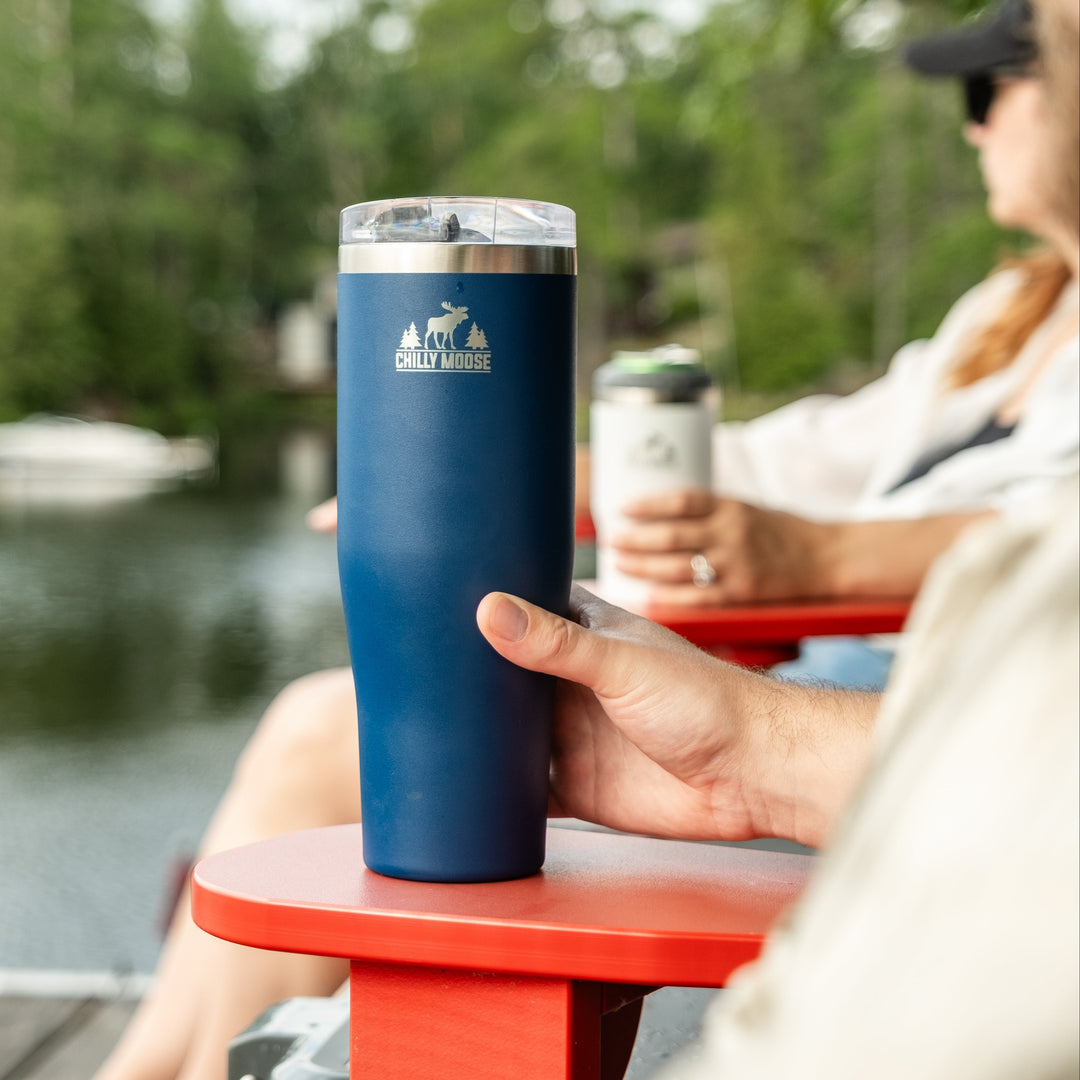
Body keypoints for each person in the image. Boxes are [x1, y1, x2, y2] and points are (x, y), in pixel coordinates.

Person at [93, 2, 1078, 1077]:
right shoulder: (1009, 319)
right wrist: (502, 472)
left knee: (328, 732)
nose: (972, 124)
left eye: (995, 86)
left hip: (929, 723)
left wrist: (822, 562)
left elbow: (1045, 554)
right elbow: (796, 454)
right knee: (317, 724)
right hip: (819, 707)